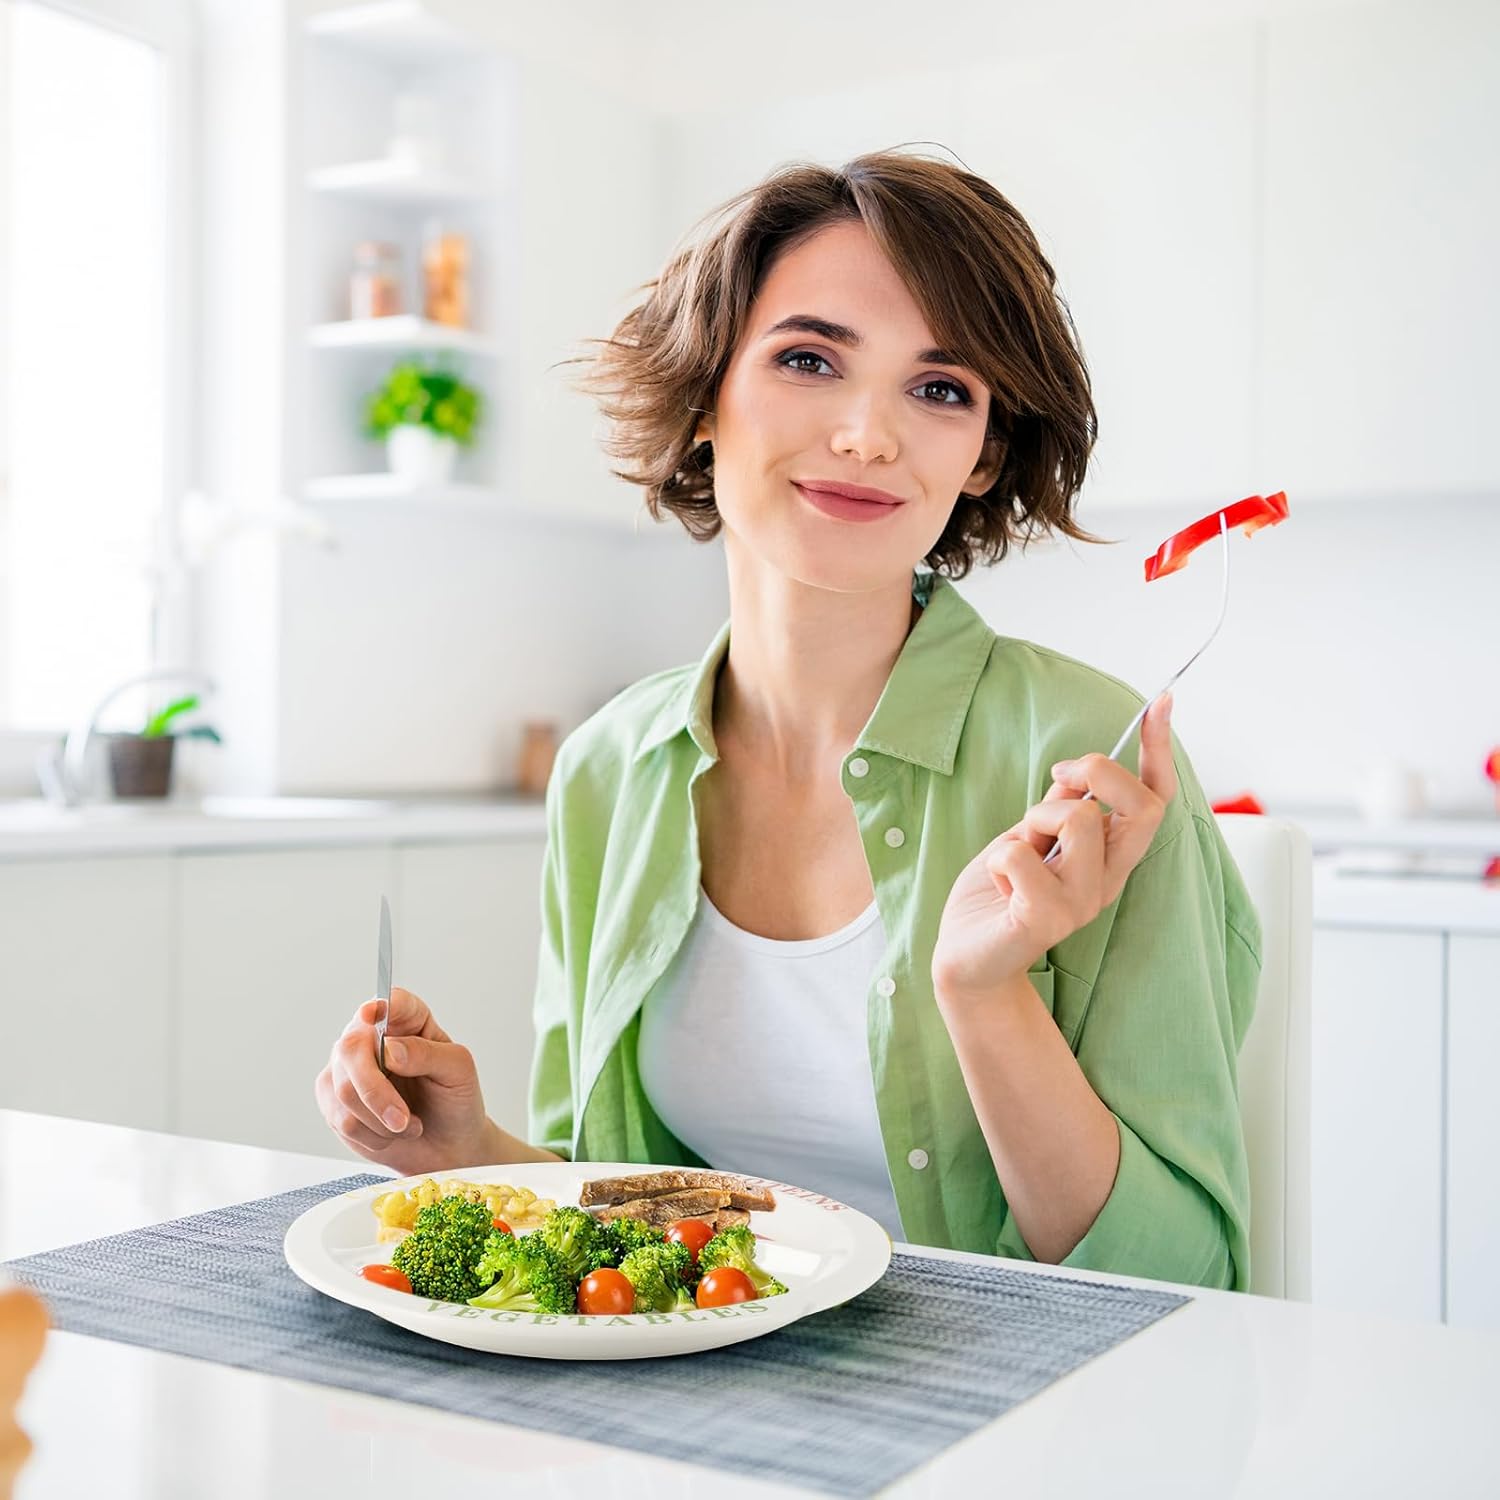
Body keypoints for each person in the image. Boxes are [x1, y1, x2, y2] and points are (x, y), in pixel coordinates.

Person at [316, 149, 1263, 1290]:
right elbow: (618, 1213)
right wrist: (466, 1152)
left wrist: (987, 996)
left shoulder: (1091, 759)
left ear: (984, 456)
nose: (868, 436)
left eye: (941, 389)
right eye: (809, 359)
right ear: (703, 396)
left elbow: (1185, 1276)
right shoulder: (610, 768)